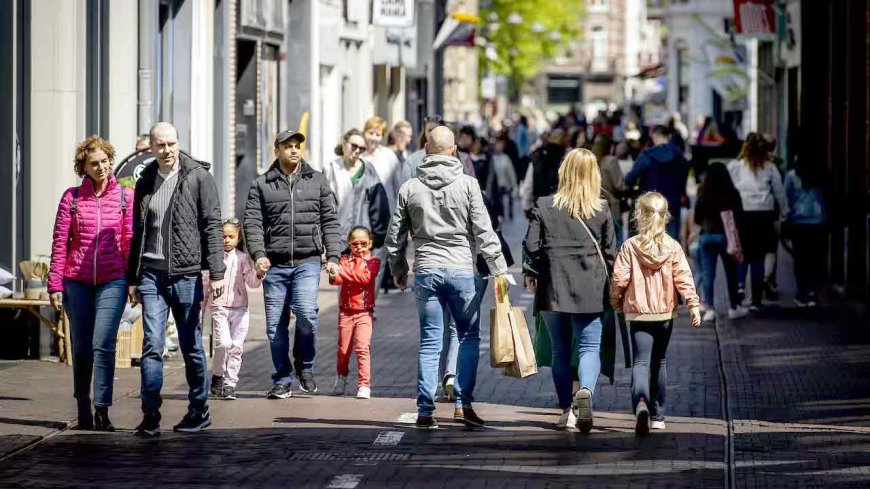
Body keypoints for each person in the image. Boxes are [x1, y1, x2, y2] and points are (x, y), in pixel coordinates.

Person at [385, 126, 509, 430]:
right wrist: (499, 268)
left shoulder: (410, 188)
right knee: (467, 336)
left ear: (426, 150)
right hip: (462, 270)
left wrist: (399, 270)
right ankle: (463, 404)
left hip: (427, 270)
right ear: (454, 151)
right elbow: (484, 230)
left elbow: (394, 238)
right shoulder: (468, 185)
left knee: (430, 341)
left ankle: (425, 409)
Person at [128, 122, 226, 436]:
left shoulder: (198, 177)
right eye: (161, 145)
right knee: (152, 346)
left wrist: (217, 272)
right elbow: (137, 233)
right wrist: (132, 277)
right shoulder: (145, 181)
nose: (167, 150)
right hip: (151, 276)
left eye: (171, 144)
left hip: (186, 275)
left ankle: (199, 411)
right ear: (151, 148)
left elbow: (212, 226)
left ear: (178, 142)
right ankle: (151, 416)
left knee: (191, 345)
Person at [523, 148, 616, 433]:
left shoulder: (545, 204)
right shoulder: (601, 208)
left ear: (564, 173)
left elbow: (531, 246)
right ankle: (585, 391)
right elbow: (611, 252)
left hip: (553, 286)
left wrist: (530, 273)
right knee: (589, 346)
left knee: (560, 351)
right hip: (591, 287)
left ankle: (566, 410)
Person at [244, 129, 342, 399]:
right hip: (274, 264)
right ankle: (282, 378)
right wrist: (258, 254)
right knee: (274, 326)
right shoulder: (261, 185)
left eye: (298, 145)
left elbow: (330, 222)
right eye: (288, 146)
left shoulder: (318, 181)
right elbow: (252, 223)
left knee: (308, 314)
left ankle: (305, 365)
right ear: (276, 150)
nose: (295, 150)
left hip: (307, 261)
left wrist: (333, 257)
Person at [48, 135, 134, 432]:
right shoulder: (71, 199)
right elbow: (61, 243)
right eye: (93, 163)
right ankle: (83, 405)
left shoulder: (125, 197)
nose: (101, 167)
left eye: (105, 161)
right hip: (77, 282)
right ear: (83, 167)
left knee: (104, 343)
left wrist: (132, 280)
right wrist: (55, 285)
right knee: (82, 346)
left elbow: (129, 241)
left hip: (113, 279)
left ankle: (102, 410)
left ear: (111, 161)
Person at [610, 192, 701, 436]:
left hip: (638, 313)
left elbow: (619, 278)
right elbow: (683, 277)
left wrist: (615, 300)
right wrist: (692, 304)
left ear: (640, 216)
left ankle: (641, 403)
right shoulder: (673, 247)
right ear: (665, 216)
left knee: (641, 361)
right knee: (659, 361)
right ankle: (658, 415)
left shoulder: (630, 246)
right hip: (664, 313)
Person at [727, 133, 788, 310]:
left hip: (743, 215)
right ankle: (756, 300)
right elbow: (779, 193)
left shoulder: (736, 167)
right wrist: (785, 212)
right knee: (758, 258)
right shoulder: (770, 168)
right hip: (764, 216)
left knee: (742, 254)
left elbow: (730, 191)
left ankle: (739, 287)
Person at [204, 218, 262, 401]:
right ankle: (218, 374)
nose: (227, 240)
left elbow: (252, 283)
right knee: (223, 343)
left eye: (231, 236)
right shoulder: (213, 258)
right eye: (223, 236)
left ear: (238, 238)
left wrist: (260, 273)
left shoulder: (243, 258)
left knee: (236, 347)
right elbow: (206, 284)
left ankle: (230, 384)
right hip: (219, 306)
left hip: (240, 308)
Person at [329, 226, 381, 399]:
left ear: (370, 243)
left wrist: (342, 271)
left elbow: (365, 278)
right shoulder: (343, 260)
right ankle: (341, 377)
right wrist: (333, 272)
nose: (359, 247)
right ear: (349, 245)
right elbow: (336, 281)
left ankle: (364, 384)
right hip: (345, 313)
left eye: (363, 243)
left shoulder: (374, 261)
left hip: (365, 313)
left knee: (362, 347)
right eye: (354, 244)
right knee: (343, 351)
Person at [694, 163, 748, 321]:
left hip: (706, 237)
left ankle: (710, 309)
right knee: (731, 273)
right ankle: (734, 307)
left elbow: (697, 218)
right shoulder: (732, 193)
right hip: (726, 238)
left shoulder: (703, 192)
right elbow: (739, 217)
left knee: (707, 274)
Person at [322, 129, 391, 252]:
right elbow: (323, 208)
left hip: (363, 244)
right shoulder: (330, 170)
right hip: (337, 243)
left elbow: (379, 208)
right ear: (344, 143)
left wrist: (377, 240)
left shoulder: (369, 171)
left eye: (362, 148)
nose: (357, 151)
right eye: (354, 146)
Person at [624, 126, 689, 239]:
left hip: (650, 204)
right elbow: (683, 180)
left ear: (654, 137)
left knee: (649, 243)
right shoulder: (680, 156)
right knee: (671, 243)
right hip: (673, 203)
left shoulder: (647, 155)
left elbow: (630, 178)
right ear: (669, 137)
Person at [784, 156, 826, 307]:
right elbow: (824, 197)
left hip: (799, 221)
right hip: (816, 220)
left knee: (800, 259)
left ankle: (802, 292)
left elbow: (786, 197)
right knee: (815, 258)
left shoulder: (791, 176)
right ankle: (813, 292)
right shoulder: (819, 175)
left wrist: (785, 216)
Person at [521, 129, 567, 218]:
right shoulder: (566, 156)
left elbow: (529, 184)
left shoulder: (538, 155)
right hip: (560, 204)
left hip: (540, 202)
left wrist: (526, 206)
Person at [361, 116, 404, 213]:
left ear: (382, 137)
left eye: (378, 135)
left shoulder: (389, 156)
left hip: (385, 213)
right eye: (370, 133)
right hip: (362, 214)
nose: (373, 138)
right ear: (364, 133)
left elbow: (398, 187)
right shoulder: (358, 155)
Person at [491, 136, 518, 220]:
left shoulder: (506, 158)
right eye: (497, 145)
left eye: (501, 145)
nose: (499, 147)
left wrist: (514, 186)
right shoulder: (491, 158)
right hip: (495, 188)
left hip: (505, 186)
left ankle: (508, 215)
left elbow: (511, 173)